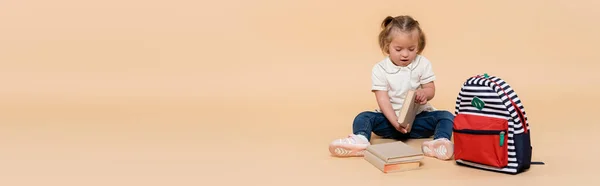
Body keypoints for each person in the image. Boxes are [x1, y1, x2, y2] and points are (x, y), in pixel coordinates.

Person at [328, 15, 455, 160]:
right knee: (363, 117)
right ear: (387, 46)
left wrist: (424, 93)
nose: (405, 54)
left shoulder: (422, 63)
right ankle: (360, 140)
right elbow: (382, 99)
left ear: (418, 46)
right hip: (389, 122)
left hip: (417, 121)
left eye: (411, 49)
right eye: (398, 49)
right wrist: (394, 121)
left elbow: (431, 89)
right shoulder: (380, 69)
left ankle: (439, 142)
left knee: (446, 116)